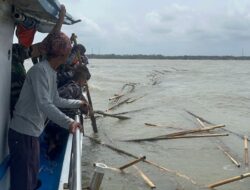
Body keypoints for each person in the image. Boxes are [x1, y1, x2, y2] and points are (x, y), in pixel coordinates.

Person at [8, 5, 87, 190]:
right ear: (63, 54)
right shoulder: (40, 71)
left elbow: (55, 99)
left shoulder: (50, 70)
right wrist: (69, 122)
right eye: (68, 52)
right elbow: (45, 104)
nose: (69, 56)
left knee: (31, 178)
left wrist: (79, 102)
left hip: (33, 133)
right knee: (23, 183)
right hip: (23, 133)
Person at [44, 64, 90, 160]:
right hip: (55, 124)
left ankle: (51, 144)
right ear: (81, 78)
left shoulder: (70, 85)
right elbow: (59, 99)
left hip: (50, 121)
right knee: (56, 151)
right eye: (85, 80)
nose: (85, 83)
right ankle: (52, 148)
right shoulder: (75, 88)